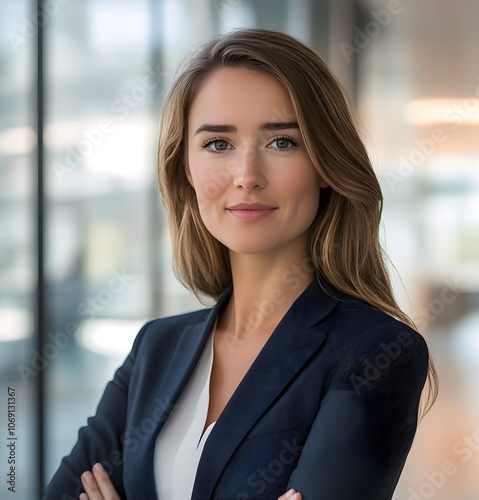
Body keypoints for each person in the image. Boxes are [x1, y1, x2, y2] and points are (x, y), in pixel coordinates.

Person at [43, 28, 438, 500]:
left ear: (325, 164)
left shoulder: (378, 351)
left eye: (283, 143)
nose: (247, 176)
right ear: (186, 167)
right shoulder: (157, 346)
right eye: (217, 144)